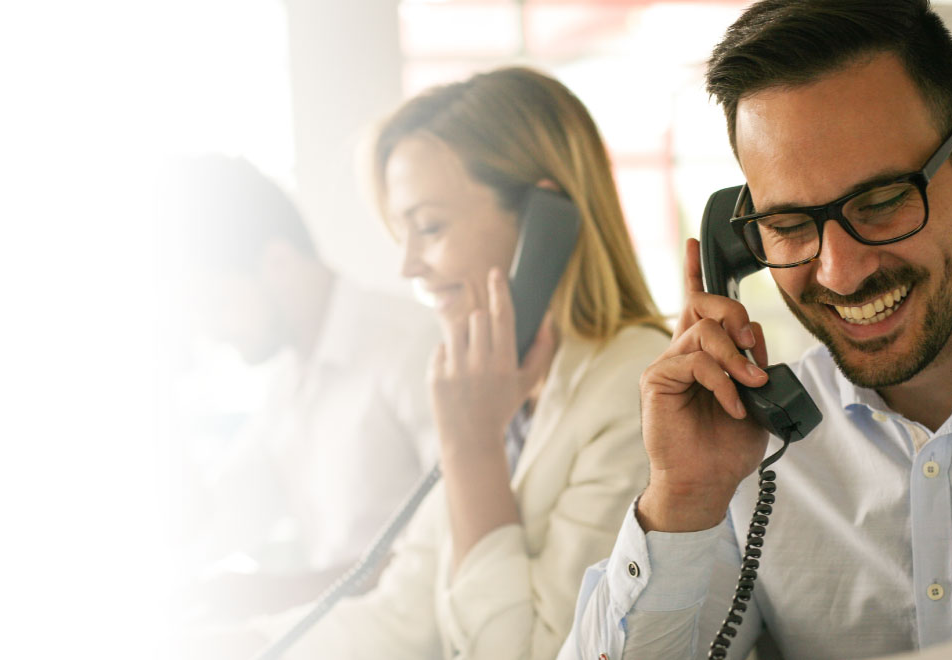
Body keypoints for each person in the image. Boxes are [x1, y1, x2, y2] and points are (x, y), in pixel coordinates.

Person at [561, 1, 952, 659]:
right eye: (788, 225)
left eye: (879, 203)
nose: (839, 273)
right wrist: (683, 499)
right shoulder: (747, 452)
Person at [235, 67, 669, 659]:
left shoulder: (637, 392)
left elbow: (530, 652)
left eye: (430, 228)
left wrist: (472, 450)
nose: (408, 266)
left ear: (546, 223)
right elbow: (400, 620)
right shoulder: (505, 390)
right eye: (402, 235)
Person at [171, 156, 439, 618]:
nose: (213, 333)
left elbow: (454, 546)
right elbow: (226, 510)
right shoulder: (288, 381)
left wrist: (281, 594)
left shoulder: (411, 347)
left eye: (216, 305)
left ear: (277, 263)